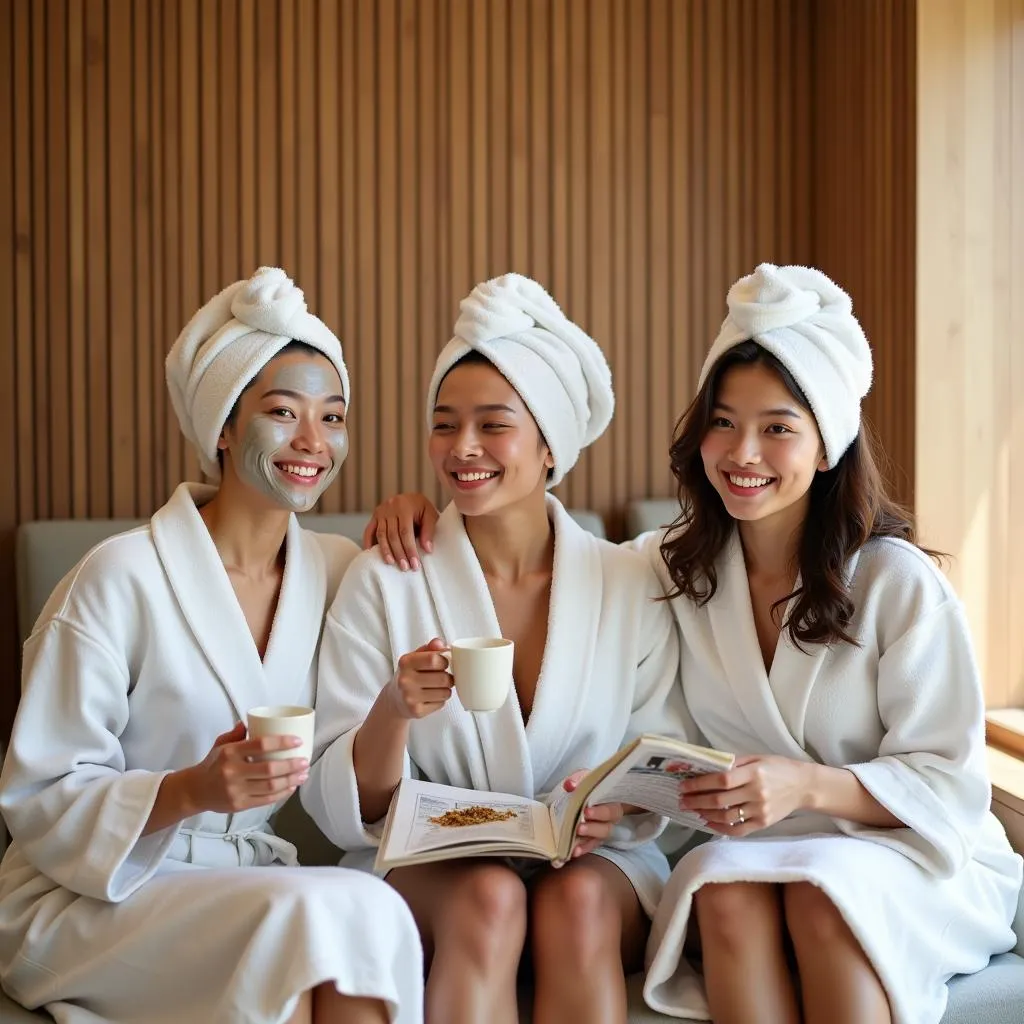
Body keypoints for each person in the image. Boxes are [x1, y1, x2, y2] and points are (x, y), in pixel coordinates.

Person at [362, 263, 1023, 1024]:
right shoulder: (675, 570)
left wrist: (804, 785)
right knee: (723, 896)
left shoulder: (896, 584)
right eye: (723, 422)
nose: (743, 452)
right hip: (760, 856)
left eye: (777, 428)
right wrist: (421, 506)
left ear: (828, 444)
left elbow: (949, 784)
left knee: (821, 906)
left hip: (911, 854)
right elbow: (560, 555)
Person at [0, 267, 422, 1024]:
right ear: (223, 428)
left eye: (333, 418)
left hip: (243, 881)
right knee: (294, 929)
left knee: (372, 911)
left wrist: (416, 509)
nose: (312, 442)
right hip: (87, 896)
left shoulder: (329, 571)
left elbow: (431, 580)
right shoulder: (119, 577)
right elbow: (38, 797)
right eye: (283, 412)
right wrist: (190, 790)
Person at [302, 273, 692, 1024]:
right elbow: (348, 807)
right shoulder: (389, 578)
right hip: (431, 869)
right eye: (445, 424)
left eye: (493, 424)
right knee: (491, 888)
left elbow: (659, 754)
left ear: (550, 444)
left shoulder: (629, 581)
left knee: (575, 902)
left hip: (595, 866)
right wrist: (393, 711)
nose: (463, 448)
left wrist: (611, 808)